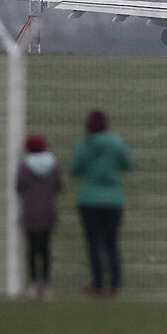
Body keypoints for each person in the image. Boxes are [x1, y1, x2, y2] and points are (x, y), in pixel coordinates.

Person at [70, 109, 132, 297]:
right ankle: (115, 285)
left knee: (93, 243)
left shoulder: (83, 145)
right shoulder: (116, 143)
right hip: (113, 200)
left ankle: (97, 285)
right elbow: (127, 164)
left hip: (88, 199)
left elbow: (74, 170)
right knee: (112, 243)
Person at [15, 133, 63, 298]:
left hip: (30, 212)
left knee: (32, 248)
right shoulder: (53, 165)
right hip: (48, 211)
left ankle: (34, 283)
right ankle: (46, 283)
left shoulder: (24, 166)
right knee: (45, 248)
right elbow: (58, 186)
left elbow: (19, 187)